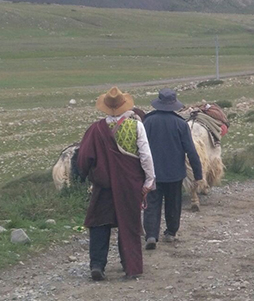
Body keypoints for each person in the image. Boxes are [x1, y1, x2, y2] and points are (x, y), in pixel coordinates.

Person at [77, 87, 156, 281]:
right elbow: (145, 156)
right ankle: (130, 265)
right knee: (129, 223)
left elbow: (84, 158)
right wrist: (149, 180)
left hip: (103, 184)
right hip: (130, 183)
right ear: (124, 105)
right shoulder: (136, 126)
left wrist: (86, 175)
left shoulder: (95, 129)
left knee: (99, 223)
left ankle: (97, 265)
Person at [143, 88, 203, 250]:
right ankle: (170, 233)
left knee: (151, 204)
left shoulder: (148, 122)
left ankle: (151, 235)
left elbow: (140, 148)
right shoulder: (181, 124)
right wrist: (198, 173)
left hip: (152, 172)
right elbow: (191, 151)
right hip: (175, 173)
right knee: (173, 203)